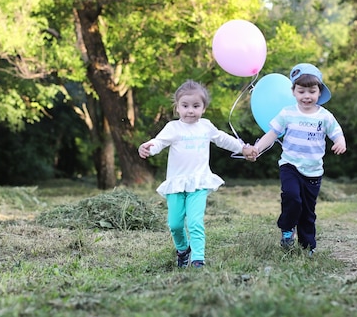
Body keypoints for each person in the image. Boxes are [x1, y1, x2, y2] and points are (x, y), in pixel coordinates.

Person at [138, 80, 254, 269]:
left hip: (199, 182)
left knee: (195, 221)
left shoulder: (206, 126)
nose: (190, 110)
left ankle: (198, 259)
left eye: (196, 106)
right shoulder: (173, 128)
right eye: (185, 106)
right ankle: (183, 250)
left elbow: (223, 139)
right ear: (177, 108)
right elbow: (159, 142)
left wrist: (243, 148)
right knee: (175, 224)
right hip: (176, 184)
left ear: (204, 108)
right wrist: (149, 148)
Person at [245, 63, 346, 256]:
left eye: (311, 91)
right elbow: (272, 133)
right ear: (293, 92)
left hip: (314, 170)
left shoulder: (325, 116)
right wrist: (257, 148)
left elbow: (337, 133)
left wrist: (340, 142)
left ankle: (308, 246)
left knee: (308, 211)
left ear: (319, 92)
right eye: (301, 91)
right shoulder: (287, 113)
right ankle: (287, 229)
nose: (306, 96)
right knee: (292, 197)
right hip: (290, 165)